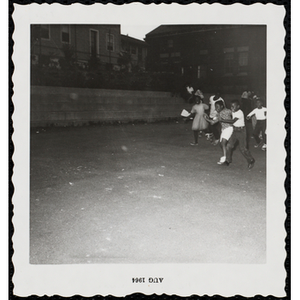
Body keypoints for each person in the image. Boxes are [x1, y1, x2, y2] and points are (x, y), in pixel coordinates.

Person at [220, 100, 255, 169]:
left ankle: (251, 160)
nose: (231, 107)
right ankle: (228, 160)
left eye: (233, 106)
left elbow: (233, 121)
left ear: (238, 106)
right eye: (231, 106)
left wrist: (222, 120)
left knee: (242, 148)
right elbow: (227, 112)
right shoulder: (232, 111)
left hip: (241, 131)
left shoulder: (240, 113)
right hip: (234, 130)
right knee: (229, 146)